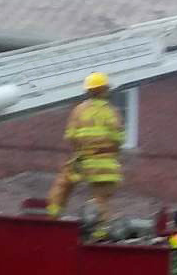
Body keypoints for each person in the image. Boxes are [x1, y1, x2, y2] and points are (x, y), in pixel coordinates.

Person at [46, 72, 125, 235]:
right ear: (105, 90)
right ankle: (101, 231)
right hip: (107, 163)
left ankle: (52, 218)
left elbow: (71, 137)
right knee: (101, 199)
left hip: (84, 160)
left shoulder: (79, 111)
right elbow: (119, 140)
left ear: (88, 91)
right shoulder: (113, 112)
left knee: (62, 186)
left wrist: (81, 152)